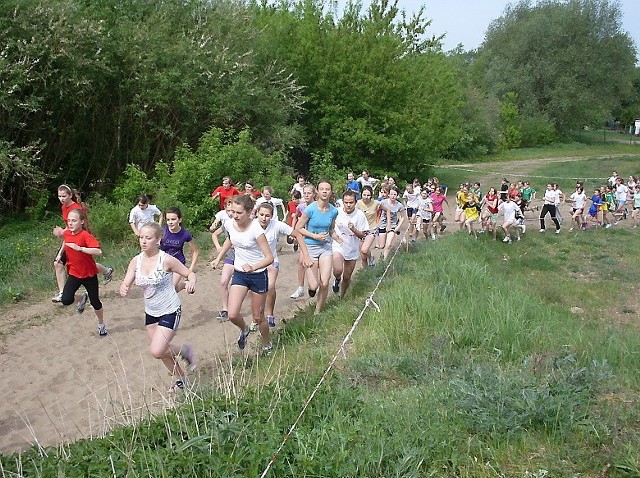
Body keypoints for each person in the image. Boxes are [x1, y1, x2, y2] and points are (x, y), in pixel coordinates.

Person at [120, 222, 197, 392]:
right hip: (151, 312)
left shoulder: (166, 259)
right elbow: (127, 280)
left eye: (148, 238)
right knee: (161, 351)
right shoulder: (136, 261)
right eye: (141, 238)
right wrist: (124, 287)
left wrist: (191, 282)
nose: (144, 241)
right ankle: (181, 379)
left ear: (158, 239)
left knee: (157, 350)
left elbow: (189, 273)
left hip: (170, 309)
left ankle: (185, 351)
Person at [210, 195, 274, 352]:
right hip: (240, 273)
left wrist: (253, 267)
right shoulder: (231, 224)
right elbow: (230, 240)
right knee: (232, 314)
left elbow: (269, 258)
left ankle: (267, 343)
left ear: (249, 212)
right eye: (233, 212)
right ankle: (244, 329)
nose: (235, 216)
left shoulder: (256, 230)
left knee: (258, 317)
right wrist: (218, 258)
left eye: (239, 213)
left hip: (258, 275)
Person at [254, 202, 312, 330]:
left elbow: (297, 233)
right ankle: (256, 315)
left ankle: (270, 313)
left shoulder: (277, 225)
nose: (264, 218)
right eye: (261, 214)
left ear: (272, 216)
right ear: (257, 213)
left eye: (267, 215)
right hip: (254, 262)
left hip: (271, 261)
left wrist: (305, 254)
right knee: (254, 290)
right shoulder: (251, 225)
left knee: (270, 286)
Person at [52, 184, 113, 302]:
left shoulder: (77, 208)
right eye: (59, 196)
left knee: (85, 264)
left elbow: (79, 227)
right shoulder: (64, 207)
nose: (61, 199)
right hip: (70, 238)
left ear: (70, 195)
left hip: (81, 239)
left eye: (64, 196)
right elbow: (68, 228)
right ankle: (62, 293)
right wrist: (63, 236)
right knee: (58, 263)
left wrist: (62, 232)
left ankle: (106, 271)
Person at [58, 208, 107, 336]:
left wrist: (80, 248)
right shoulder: (67, 233)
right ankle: (81, 298)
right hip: (74, 273)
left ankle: (101, 324)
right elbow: (64, 237)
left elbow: (98, 251)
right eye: (69, 221)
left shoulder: (85, 235)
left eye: (74, 221)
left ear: (82, 222)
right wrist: (60, 253)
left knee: (95, 302)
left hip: (89, 274)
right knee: (66, 299)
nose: (70, 223)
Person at [295, 180, 339, 314]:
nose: (325, 191)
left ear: (331, 192)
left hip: (325, 247)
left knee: (325, 282)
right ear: (317, 192)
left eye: (327, 189)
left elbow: (331, 229)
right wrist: (315, 236)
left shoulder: (334, 211)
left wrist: (337, 237)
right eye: (322, 189)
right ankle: (312, 289)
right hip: (311, 247)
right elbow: (298, 228)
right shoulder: (310, 209)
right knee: (314, 285)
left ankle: (318, 311)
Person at [332, 190, 369, 298]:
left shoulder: (360, 215)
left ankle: (342, 297)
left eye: (351, 202)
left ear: (355, 202)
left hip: (352, 247)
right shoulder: (336, 212)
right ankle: (337, 279)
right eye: (346, 202)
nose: (348, 205)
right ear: (342, 202)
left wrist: (353, 229)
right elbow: (330, 227)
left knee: (347, 276)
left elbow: (362, 235)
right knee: (338, 269)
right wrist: (334, 236)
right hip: (338, 245)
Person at [160, 207, 200, 290]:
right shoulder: (163, 231)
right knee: (163, 289)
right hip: (163, 263)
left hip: (178, 263)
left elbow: (195, 251)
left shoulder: (185, 234)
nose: (170, 222)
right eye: (168, 220)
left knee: (170, 288)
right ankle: (184, 285)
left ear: (179, 220)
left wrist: (190, 269)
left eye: (173, 219)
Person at [290, 184, 316, 299]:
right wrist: (293, 230)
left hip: (317, 236)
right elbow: (296, 217)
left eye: (309, 193)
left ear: (314, 194)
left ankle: (314, 285)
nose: (306, 195)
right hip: (305, 236)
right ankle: (300, 287)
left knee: (314, 262)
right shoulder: (301, 207)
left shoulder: (318, 206)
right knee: (301, 261)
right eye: (304, 193)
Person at [356, 185, 389, 267]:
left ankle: (370, 258)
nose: (366, 197)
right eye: (364, 195)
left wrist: (388, 224)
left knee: (364, 250)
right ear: (361, 194)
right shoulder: (358, 203)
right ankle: (366, 274)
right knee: (363, 257)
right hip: (360, 231)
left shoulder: (376, 203)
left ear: (371, 195)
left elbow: (387, 210)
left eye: (368, 195)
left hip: (371, 229)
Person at [378, 186, 406, 259]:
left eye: (395, 194)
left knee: (388, 244)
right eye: (391, 194)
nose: (393, 196)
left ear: (397, 195)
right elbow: (376, 211)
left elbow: (403, 217)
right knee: (382, 245)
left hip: (393, 225)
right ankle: (383, 255)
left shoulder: (399, 205)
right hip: (383, 224)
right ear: (389, 194)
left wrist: (398, 227)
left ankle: (384, 261)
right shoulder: (383, 202)